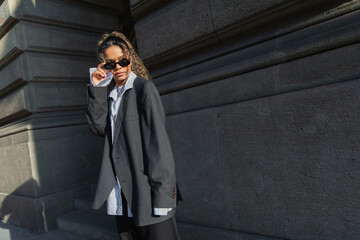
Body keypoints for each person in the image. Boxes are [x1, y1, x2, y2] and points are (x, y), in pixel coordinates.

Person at [85, 31, 181, 240]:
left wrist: (164, 197)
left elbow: (158, 145)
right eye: (110, 64)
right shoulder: (110, 97)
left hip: (147, 192)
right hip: (121, 194)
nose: (117, 67)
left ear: (130, 57)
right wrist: (98, 88)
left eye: (122, 61)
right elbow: (97, 127)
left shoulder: (144, 90)